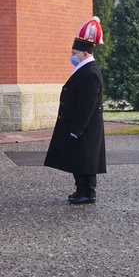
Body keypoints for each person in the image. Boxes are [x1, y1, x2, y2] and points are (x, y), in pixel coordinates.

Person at [45, 17, 106, 204]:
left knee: (85, 160)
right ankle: (80, 189)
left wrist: (76, 128)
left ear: (85, 54)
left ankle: (88, 192)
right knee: (78, 158)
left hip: (85, 126)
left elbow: (86, 105)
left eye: (75, 53)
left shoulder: (90, 72)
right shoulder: (84, 69)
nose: (72, 56)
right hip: (78, 124)